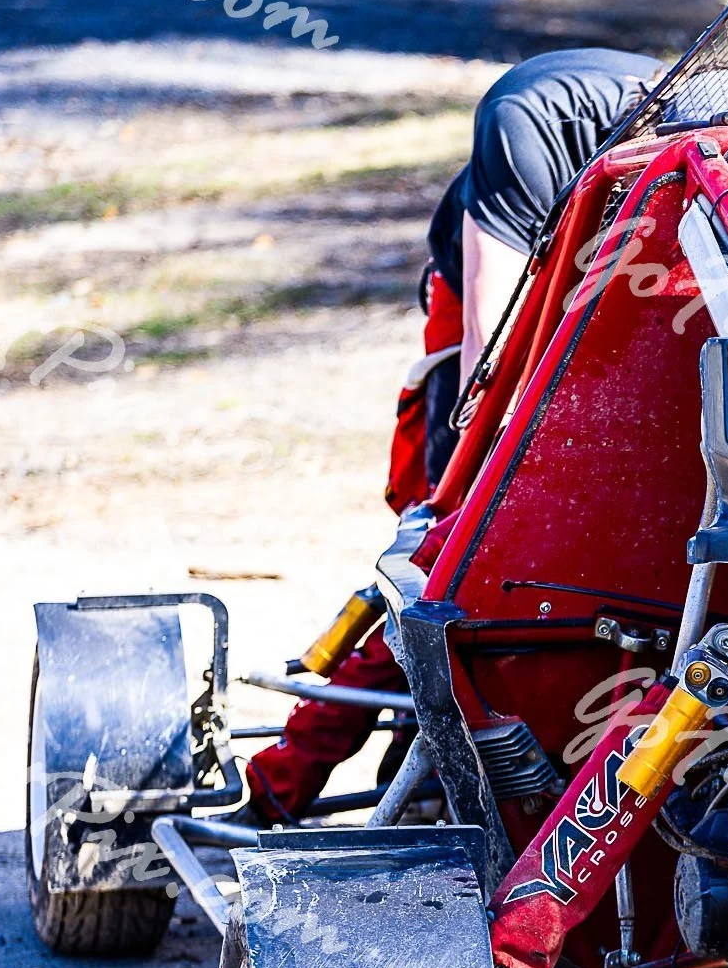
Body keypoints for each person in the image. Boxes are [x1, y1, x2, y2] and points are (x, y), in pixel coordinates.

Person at [242, 47, 667, 824]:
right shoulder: (526, 128)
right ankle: (281, 782)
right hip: (500, 305)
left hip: (615, 299)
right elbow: (485, 372)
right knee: (443, 559)